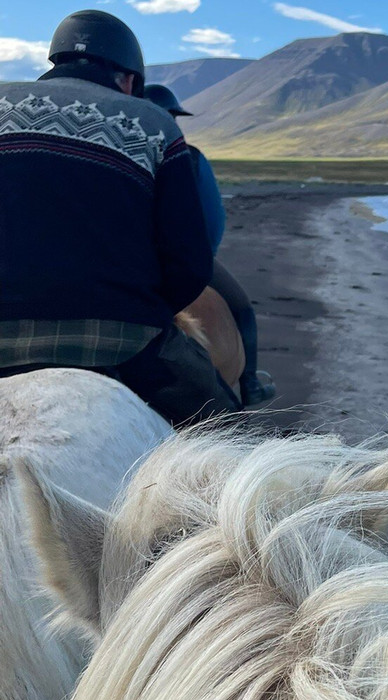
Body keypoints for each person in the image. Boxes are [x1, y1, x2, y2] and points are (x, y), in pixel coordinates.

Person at [0, 10, 240, 425]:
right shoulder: (154, 125)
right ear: (128, 77)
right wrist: (143, 311)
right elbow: (189, 261)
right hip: (118, 340)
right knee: (224, 429)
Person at [144, 84, 276, 407]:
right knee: (241, 308)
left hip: (128, 255)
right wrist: (204, 257)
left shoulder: (123, 151)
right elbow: (211, 219)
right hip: (180, 255)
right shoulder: (188, 156)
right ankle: (250, 382)